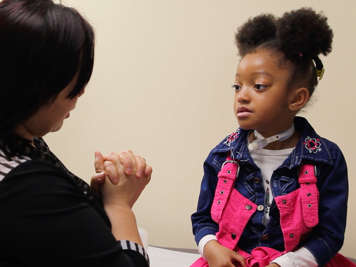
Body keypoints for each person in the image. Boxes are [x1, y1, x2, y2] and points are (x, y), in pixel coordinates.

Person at [191, 8, 355, 267]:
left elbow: (330, 235)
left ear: (296, 98)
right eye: (238, 86)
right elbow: (202, 219)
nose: (242, 96)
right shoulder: (221, 156)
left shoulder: (327, 159)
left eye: (258, 86)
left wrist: (286, 264)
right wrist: (211, 248)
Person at [0, 0, 151, 266]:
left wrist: (94, 199)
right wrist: (119, 206)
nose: (80, 94)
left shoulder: (22, 143)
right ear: (36, 83)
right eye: (76, 82)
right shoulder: (29, 186)